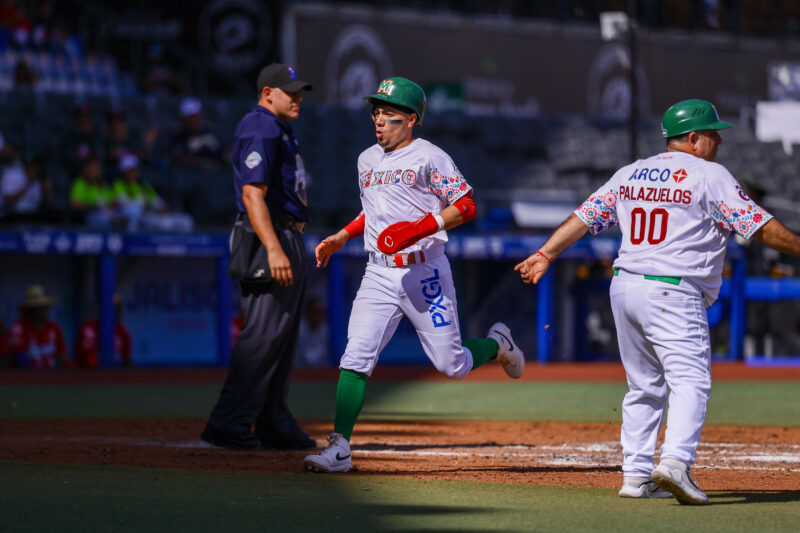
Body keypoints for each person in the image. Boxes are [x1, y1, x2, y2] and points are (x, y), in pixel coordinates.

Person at [514, 99, 800, 505]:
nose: (719, 141)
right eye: (713, 134)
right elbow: (760, 228)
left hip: (625, 287)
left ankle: (635, 475)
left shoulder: (631, 172)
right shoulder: (708, 174)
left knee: (643, 386)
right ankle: (677, 463)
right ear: (694, 138)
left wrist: (546, 253)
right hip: (672, 289)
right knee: (690, 381)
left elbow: (585, 215)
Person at [303, 77, 525, 474]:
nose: (379, 121)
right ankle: (339, 447)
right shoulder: (366, 159)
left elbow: (466, 206)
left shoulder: (430, 157)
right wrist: (341, 235)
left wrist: (417, 229)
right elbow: (375, 211)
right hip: (378, 272)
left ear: (411, 119)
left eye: (388, 114)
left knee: (451, 364)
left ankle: (496, 344)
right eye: (376, 113)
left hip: (425, 270)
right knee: (355, 356)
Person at [201, 63, 315, 451]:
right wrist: (273, 248)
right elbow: (252, 194)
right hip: (269, 236)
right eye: (290, 91)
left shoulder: (278, 127)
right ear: (268, 93)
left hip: (286, 234)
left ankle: (273, 420)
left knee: (281, 336)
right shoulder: (261, 125)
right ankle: (228, 422)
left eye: (300, 91)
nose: (298, 98)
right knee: (263, 334)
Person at [111, 153, 193, 232]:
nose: (134, 173)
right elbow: (126, 206)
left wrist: (162, 207)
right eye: (131, 170)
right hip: (135, 219)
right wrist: (150, 207)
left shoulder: (143, 185)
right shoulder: (118, 184)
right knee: (165, 223)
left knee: (186, 221)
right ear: (124, 171)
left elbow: (157, 202)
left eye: (135, 170)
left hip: (150, 216)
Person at [8, 285, 69, 369]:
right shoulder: (19, 327)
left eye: (43, 307)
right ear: (29, 310)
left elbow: (62, 355)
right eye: (37, 308)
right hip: (27, 378)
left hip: (52, 376)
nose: (42, 311)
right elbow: (18, 357)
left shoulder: (53, 327)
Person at [74, 293, 132, 368]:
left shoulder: (123, 332)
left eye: (118, 308)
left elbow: (127, 361)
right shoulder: (89, 328)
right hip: (86, 375)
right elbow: (87, 360)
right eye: (113, 308)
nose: (117, 312)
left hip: (114, 375)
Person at [295, 296, 329, 368]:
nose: (321, 316)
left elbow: (324, 354)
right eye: (317, 312)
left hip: (319, 371)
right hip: (299, 371)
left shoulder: (324, 329)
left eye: (322, 312)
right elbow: (304, 358)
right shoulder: (299, 330)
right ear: (308, 313)